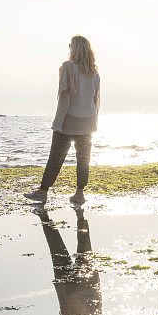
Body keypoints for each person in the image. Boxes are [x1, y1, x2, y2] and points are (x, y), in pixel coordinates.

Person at [24, 35, 100, 204]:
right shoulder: (94, 72)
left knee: (56, 157)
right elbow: (96, 100)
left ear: (75, 49)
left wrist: (58, 123)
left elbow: (64, 98)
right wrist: (95, 123)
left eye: (70, 46)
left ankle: (43, 191)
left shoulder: (68, 67)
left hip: (69, 119)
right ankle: (80, 193)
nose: (69, 49)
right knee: (83, 159)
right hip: (88, 120)